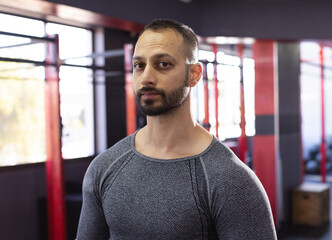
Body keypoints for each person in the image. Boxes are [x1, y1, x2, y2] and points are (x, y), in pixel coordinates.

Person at [76, 19, 277, 240]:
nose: (146, 78)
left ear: (194, 74)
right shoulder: (104, 168)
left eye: (163, 64)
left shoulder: (232, 181)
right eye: (139, 65)